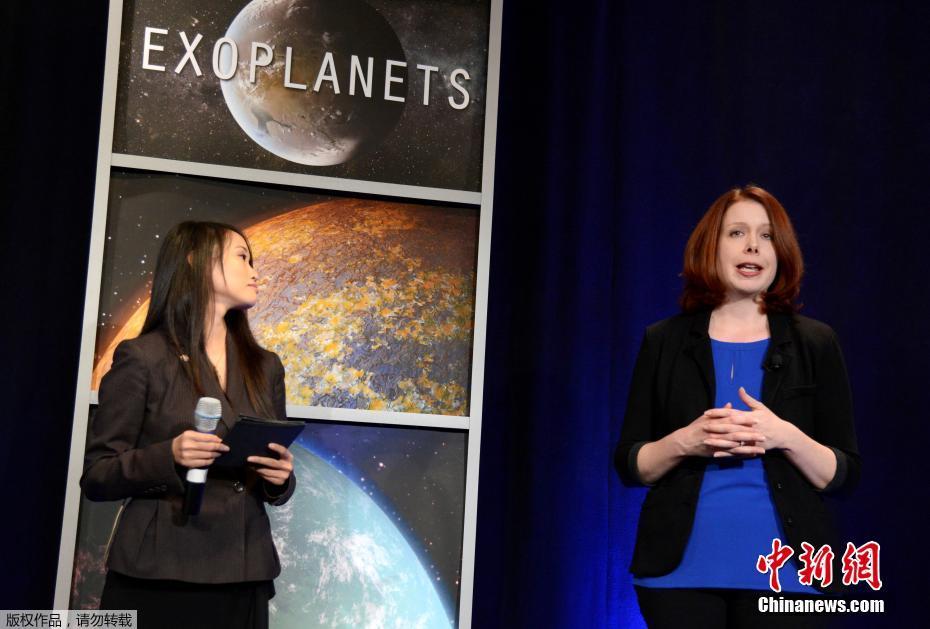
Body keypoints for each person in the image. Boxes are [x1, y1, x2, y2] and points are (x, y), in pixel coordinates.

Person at [614, 185, 859, 628]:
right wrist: (686, 441)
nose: (753, 246)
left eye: (767, 236)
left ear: (781, 252)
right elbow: (632, 465)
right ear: (711, 246)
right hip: (678, 579)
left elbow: (843, 474)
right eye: (737, 233)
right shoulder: (664, 340)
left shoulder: (816, 342)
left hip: (790, 578)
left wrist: (785, 436)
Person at [81, 221, 296, 629]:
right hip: (158, 574)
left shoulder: (265, 366)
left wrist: (280, 479)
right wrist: (169, 455)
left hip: (243, 572)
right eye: (242, 257)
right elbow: (97, 475)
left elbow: (273, 476)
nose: (255, 272)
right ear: (197, 261)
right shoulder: (144, 357)